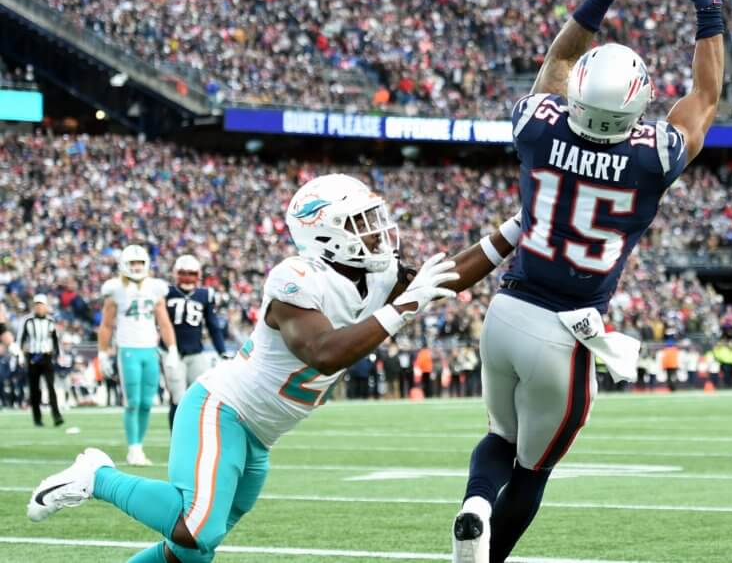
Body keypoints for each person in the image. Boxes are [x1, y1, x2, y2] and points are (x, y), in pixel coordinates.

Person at [27, 173, 522, 563]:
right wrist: (404, 308)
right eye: (361, 222)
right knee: (196, 527)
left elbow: (448, 279)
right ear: (325, 234)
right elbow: (324, 351)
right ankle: (98, 475)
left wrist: (521, 227)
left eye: (374, 218)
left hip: (260, 435)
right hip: (223, 410)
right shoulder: (294, 278)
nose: (377, 231)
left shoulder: (380, 274)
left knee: (191, 552)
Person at [452, 0, 727, 562]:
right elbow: (706, 94)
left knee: (498, 433)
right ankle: (489, 556)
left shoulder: (538, 126)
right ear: (638, 105)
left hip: (506, 309)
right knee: (534, 467)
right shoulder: (653, 156)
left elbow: (557, 62)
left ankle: (472, 503)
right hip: (567, 330)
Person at [97, 245, 181, 466]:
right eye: (132, 263)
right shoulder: (115, 289)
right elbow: (106, 325)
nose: (136, 267)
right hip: (128, 349)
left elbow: (164, 322)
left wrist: (172, 349)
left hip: (150, 349)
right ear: (124, 265)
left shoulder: (155, 288)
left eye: (140, 263)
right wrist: (103, 353)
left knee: (146, 402)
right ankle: (133, 448)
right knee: (132, 401)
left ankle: (139, 447)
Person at [164, 254, 229, 430]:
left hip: (196, 352)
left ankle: (195, 437)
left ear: (198, 275)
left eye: (191, 273)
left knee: (200, 397)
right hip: (173, 353)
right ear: (176, 274)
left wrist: (221, 350)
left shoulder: (204, 295)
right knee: (177, 398)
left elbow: (213, 325)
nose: (187, 278)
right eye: (183, 273)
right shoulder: (166, 293)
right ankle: (176, 440)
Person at [19, 294, 64, 427]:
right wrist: (21, 356)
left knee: (51, 387)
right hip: (32, 357)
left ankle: (57, 416)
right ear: (34, 306)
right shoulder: (27, 322)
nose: (39, 307)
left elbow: (56, 341)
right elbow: (21, 340)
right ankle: (37, 418)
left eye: (41, 304)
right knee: (34, 389)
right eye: (37, 304)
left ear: (46, 306)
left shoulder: (51, 322)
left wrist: (58, 355)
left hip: (46, 356)